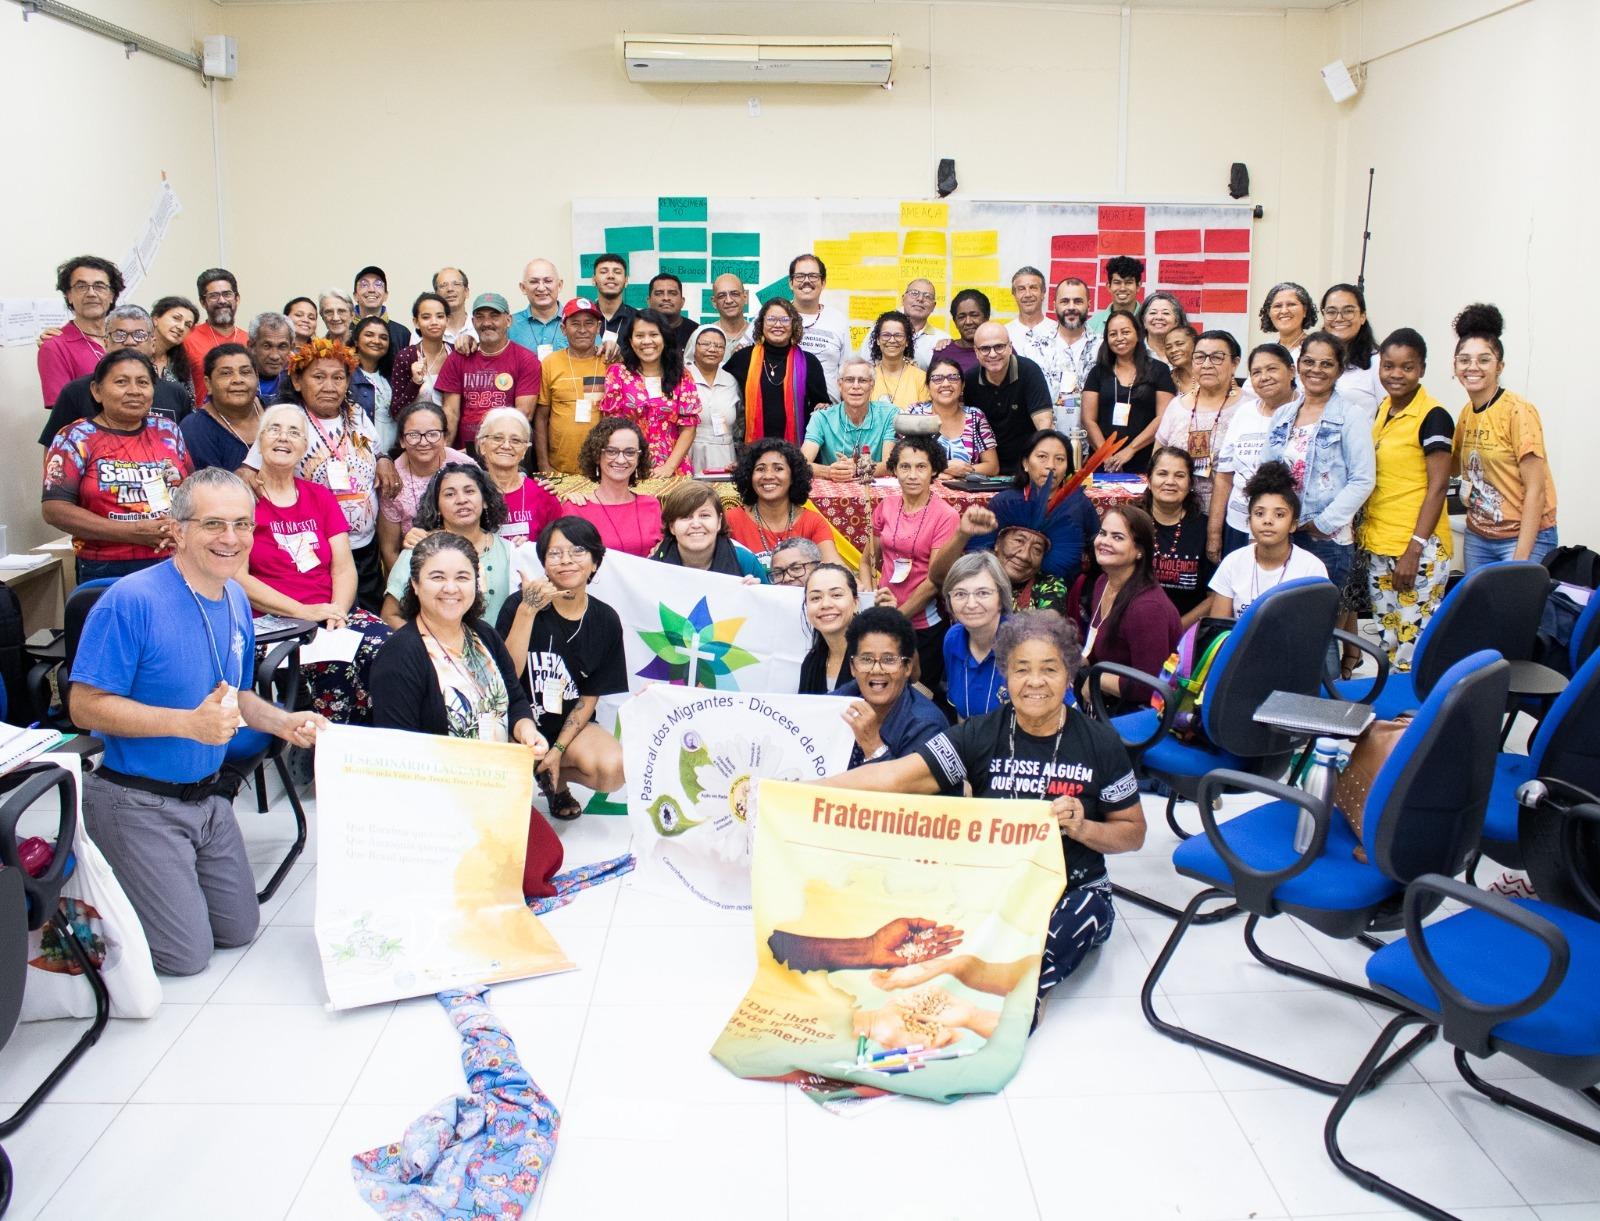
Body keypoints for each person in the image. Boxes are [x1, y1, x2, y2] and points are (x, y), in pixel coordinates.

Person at [71, 468, 327, 975]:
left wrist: (281, 722)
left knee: (237, 930)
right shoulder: (132, 601)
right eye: (213, 524)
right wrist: (187, 725)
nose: (230, 539)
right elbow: (84, 706)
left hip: (207, 797)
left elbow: (235, 694)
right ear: (178, 529)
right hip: (137, 798)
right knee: (185, 958)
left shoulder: (233, 596)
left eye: (242, 524)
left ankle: (161, 881)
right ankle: (95, 891)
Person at [831, 611, 1144, 1016]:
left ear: (1068, 675)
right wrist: (789, 790)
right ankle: (961, 985)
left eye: (1049, 669)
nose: (1034, 682)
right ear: (1005, 675)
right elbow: (894, 778)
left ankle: (1014, 1000)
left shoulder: (1101, 742)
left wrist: (1083, 828)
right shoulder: (980, 733)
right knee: (916, 926)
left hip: (1073, 889)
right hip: (992, 885)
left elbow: (1133, 833)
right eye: (1021, 669)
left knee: (1080, 918)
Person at [236, 404, 391, 723]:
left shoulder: (319, 496)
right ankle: (323, 749)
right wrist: (305, 612)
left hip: (330, 612)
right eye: (275, 429)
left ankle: (373, 747)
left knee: (391, 649)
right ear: (259, 440)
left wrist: (337, 610)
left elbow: (344, 567)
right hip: (274, 621)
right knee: (330, 667)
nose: (284, 438)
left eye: (295, 432)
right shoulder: (242, 501)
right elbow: (239, 579)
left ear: (305, 447)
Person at [241, 337, 393, 612]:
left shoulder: (357, 415)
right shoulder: (288, 420)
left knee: (364, 617)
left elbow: (377, 451)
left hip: (364, 546)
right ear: (298, 382)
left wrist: (383, 460)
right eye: (319, 377)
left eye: (338, 378)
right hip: (316, 552)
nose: (329, 386)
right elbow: (248, 472)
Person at [497, 516, 627, 824]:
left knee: (614, 769)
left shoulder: (605, 620)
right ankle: (524, 775)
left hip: (565, 726)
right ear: (544, 562)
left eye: (577, 551)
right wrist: (528, 611)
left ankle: (555, 781)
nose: (566, 560)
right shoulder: (518, 605)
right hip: (514, 725)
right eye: (555, 553)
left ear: (595, 562)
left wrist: (557, 749)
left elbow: (591, 695)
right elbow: (505, 677)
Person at [42, 349, 192, 583]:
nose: (134, 390)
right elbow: (54, 510)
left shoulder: (168, 430)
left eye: (143, 382)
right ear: (97, 391)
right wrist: (134, 533)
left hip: (174, 560)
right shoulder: (74, 437)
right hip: (107, 567)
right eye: (121, 382)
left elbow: (191, 490)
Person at [1258, 332, 1376, 596]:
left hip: (1326, 541)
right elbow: (1265, 472)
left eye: (1327, 364)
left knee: (1319, 626)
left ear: (1339, 370)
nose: (1316, 370)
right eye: (1309, 362)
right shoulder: (1283, 414)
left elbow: (1363, 479)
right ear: (1298, 366)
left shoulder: (1351, 416)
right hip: (1283, 534)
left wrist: (1322, 524)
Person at [1363, 329, 1454, 670]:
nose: (1396, 375)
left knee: (1412, 645)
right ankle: (1389, 716)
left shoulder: (1433, 415)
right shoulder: (1384, 407)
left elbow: (1439, 486)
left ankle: (1412, 720)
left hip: (1417, 548)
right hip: (1380, 541)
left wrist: (1414, 548)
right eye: (1389, 366)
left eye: (1407, 367)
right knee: (1387, 641)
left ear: (1422, 370)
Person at [930, 429, 1097, 611]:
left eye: (1060, 459)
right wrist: (962, 534)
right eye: (1042, 456)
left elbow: (1095, 553)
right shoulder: (1005, 503)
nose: (1051, 466)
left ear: (1068, 468)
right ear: (1026, 463)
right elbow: (947, 573)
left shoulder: (1079, 504)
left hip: (1057, 595)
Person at [1450, 303, 1559, 568]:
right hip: (1479, 535)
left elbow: (1536, 490)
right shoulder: (1467, 412)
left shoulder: (1518, 411)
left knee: (1513, 607)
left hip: (1522, 537)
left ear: (1500, 366)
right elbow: (1452, 466)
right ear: (1455, 366)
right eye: (1465, 360)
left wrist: (1520, 559)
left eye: (1484, 360)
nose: (1472, 367)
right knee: (1480, 608)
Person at [383, 461, 527, 628]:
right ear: (437, 506)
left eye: (470, 491)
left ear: (485, 501)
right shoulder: (420, 549)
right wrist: (432, 647)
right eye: (449, 494)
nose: (461, 500)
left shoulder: (511, 551)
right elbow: (389, 615)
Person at [866, 435, 960, 690]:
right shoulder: (886, 506)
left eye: (921, 467)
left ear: (934, 471)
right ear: (894, 470)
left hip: (923, 625)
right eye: (905, 467)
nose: (912, 475)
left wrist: (897, 617)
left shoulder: (946, 516)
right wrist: (867, 598)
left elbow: (934, 582)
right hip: (883, 615)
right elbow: (867, 561)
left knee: (918, 693)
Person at [36, 305, 191, 445]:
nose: (130, 341)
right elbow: (55, 452)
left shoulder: (177, 393)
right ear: (106, 342)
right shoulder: (75, 392)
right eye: (119, 335)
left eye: (139, 335)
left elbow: (184, 449)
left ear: (153, 343)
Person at [1081, 506, 1182, 714]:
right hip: (1107, 700)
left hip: (1141, 715)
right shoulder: (1103, 582)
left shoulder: (1146, 609)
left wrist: (1097, 679)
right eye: (1102, 533)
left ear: (1139, 551)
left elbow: (1149, 686)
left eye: (1117, 537)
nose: (1104, 542)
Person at [1205, 460, 1328, 617]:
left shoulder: (1311, 568)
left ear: (1293, 525)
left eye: (1279, 514)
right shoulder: (1232, 563)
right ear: (1249, 521)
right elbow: (1219, 628)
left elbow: (1313, 630)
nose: (1267, 521)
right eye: (1259, 513)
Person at [1211, 342, 1298, 560]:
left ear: (1291, 370)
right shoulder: (1244, 413)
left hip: (1286, 529)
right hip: (1238, 525)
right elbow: (1224, 477)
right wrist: (1214, 533)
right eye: (1256, 372)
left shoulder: (1305, 412)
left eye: (1272, 369)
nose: (1264, 377)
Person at [832, 606, 948, 767]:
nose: (877, 669)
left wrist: (874, 746)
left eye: (888, 660)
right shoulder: (836, 703)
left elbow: (909, 790)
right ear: (852, 667)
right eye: (866, 659)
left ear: (907, 667)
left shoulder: (927, 725)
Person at [436, 292, 542, 450]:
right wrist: (445, 453)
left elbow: (523, 415)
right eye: (480, 317)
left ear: (508, 320)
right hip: (464, 452)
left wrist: (490, 448)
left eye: (494, 316)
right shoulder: (458, 358)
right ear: (473, 322)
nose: (487, 322)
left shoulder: (526, 359)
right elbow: (450, 412)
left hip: (507, 451)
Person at [599, 308, 698, 475]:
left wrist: (668, 468)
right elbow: (610, 425)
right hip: (627, 467)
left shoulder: (682, 376)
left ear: (664, 338)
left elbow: (689, 428)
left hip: (673, 468)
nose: (647, 341)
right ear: (630, 341)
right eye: (639, 336)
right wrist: (626, 463)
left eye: (653, 334)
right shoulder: (617, 374)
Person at [377, 401, 475, 568]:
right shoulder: (393, 479)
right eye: (413, 435)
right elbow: (390, 550)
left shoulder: (465, 467)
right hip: (414, 566)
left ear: (444, 437)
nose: (423, 442)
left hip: (466, 560)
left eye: (433, 434)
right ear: (402, 440)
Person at [1153, 329, 1243, 511]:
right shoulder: (1177, 406)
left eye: (1217, 357)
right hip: (1179, 511)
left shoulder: (1249, 407)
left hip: (1232, 514)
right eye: (1200, 357)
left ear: (1234, 363)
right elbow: (1157, 460)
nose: (1207, 364)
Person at [722, 298, 829, 446]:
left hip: (796, 450)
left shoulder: (809, 362)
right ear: (761, 323)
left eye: (785, 319)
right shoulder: (742, 358)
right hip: (752, 450)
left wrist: (823, 408)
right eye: (771, 319)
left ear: (793, 324)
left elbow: (821, 407)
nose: (778, 325)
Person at [1081, 308, 1175, 474]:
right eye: (1113, 334)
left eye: (1125, 332)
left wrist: (1130, 450)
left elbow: (1164, 417)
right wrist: (1107, 455)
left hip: (1145, 460)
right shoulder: (1098, 372)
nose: (1119, 338)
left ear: (1138, 334)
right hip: (1103, 462)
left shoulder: (1159, 370)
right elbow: (1088, 419)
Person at [726, 439, 838, 566]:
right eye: (760, 469)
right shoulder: (731, 521)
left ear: (793, 477)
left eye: (778, 469)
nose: (768, 476)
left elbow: (835, 566)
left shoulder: (813, 522)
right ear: (749, 476)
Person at [963, 322, 1054, 476]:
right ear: (976, 352)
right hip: (985, 470)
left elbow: (1044, 425)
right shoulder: (970, 380)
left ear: (1010, 347)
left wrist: (1042, 467)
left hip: (1028, 468)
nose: (992, 354)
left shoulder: (1029, 371)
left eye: (999, 347)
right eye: (985, 349)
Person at [1140, 446, 1214, 628]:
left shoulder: (1206, 529)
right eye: (1162, 474)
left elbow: (1215, 596)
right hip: (1137, 626)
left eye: (1179, 476)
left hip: (1188, 630)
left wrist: (1177, 629)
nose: (1170, 481)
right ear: (1149, 480)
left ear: (1190, 484)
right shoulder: (1132, 523)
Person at [534, 298, 610, 474]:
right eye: (575, 324)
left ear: (598, 328)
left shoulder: (609, 362)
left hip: (603, 468)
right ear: (563, 329)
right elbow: (541, 418)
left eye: (589, 324)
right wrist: (543, 465)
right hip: (559, 467)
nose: (582, 330)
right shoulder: (550, 363)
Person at [570, 417, 662, 557]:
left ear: (639, 458)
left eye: (630, 452)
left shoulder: (652, 505)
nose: (621, 460)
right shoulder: (575, 508)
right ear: (596, 455)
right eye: (611, 451)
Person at [38, 255, 121, 409]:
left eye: (99, 286)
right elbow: (63, 411)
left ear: (112, 295)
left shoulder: (125, 338)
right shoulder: (54, 346)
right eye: (81, 286)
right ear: (68, 295)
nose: (91, 293)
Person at [940, 551, 1013, 721]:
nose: (971, 604)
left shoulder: (1026, 643)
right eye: (960, 594)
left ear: (1001, 599)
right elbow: (962, 715)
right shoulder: (953, 639)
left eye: (983, 593)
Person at [474, 407, 560, 549]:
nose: (506, 446)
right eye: (497, 438)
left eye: (515, 440)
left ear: (525, 450)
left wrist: (531, 549)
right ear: (482, 445)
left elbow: (557, 546)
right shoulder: (470, 493)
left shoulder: (543, 494)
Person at [650, 480, 768, 581]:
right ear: (672, 526)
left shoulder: (744, 561)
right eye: (685, 516)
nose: (696, 524)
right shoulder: (654, 565)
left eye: (704, 515)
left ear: (718, 522)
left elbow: (769, 605)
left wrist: (754, 596)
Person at [802, 356, 898, 479]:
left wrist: (857, 469)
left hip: (876, 489)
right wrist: (829, 471)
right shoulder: (821, 417)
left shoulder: (889, 414)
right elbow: (802, 464)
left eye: (862, 380)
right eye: (849, 380)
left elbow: (889, 465)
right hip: (834, 489)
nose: (856, 386)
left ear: (872, 385)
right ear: (840, 385)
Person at [906, 355, 998, 478]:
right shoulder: (915, 413)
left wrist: (959, 472)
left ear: (963, 385)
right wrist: (943, 468)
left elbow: (992, 467)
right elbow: (902, 461)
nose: (945, 383)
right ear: (928, 386)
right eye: (937, 378)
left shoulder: (975, 416)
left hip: (968, 494)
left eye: (953, 378)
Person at [179, 344, 262, 472]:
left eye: (245, 372)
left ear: (257, 377)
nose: (237, 380)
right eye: (226, 373)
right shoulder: (195, 428)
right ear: (208, 383)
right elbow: (211, 487)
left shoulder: (277, 410)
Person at [1039, 277, 1102, 428]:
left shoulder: (1103, 347)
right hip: (1048, 442)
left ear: (1089, 304)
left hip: (1094, 443)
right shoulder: (1036, 347)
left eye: (1078, 301)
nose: (1071, 307)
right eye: (1065, 301)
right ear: (1054, 305)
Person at [181, 269, 248, 404]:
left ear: (237, 298)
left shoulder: (250, 340)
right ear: (203, 302)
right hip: (203, 419)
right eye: (213, 296)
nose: (222, 300)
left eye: (227, 294)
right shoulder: (187, 338)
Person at [789, 254, 850, 398]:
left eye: (813, 276)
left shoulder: (838, 320)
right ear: (791, 283)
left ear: (823, 282)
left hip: (828, 412)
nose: (806, 281)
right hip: (785, 412)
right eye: (799, 276)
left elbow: (846, 370)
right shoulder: (776, 315)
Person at [685, 325, 740, 474]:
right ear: (693, 346)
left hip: (725, 454)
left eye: (719, 346)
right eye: (705, 344)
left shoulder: (731, 380)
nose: (712, 349)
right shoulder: (681, 377)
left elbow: (740, 423)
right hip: (689, 451)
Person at [1321, 283, 1381, 416]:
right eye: (1331, 312)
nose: (1339, 318)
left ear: (1362, 316)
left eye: (1348, 311)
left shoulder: (1378, 362)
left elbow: (1389, 414)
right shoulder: (1312, 359)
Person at [859, 280, 947, 369]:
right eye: (914, 293)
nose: (920, 299)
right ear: (903, 299)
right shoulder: (882, 328)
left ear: (933, 306)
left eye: (927, 296)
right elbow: (864, 365)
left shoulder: (941, 339)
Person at [390, 291, 451, 419]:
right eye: (426, 317)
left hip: (451, 434)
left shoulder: (456, 353)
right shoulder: (406, 357)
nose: (434, 322)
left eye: (440, 316)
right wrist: (415, 383)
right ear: (416, 322)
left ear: (447, 320)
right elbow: (396, 412)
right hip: (416, 434)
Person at [799, 562, 858, 694]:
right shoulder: (811, 663)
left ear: (855, 602)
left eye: (836, 595)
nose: (825, 604)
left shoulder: (872, 658)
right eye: (815, 598)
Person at [351, 265, 410, 381]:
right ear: (355, 295)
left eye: (378, 284)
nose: (371, 290)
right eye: (364, 285)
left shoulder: (402, 333)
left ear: (386, 295)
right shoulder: (345, 330)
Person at [350, 315, 396, 451]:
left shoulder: (393, 376)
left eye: (383, 337)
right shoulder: (345, 376)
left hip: (393, 457)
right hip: (361, 456)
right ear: (356, 341)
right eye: (369, 335)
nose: (377, 341)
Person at [867, 311, 929, 408]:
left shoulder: (921, 378)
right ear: (878, 340)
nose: (892, 340)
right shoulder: (867, 377)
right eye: (886, 335)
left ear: (907, 341)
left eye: (898, 335)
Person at [508, 258, 568, 358]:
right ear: (523, 288)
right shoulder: (509, 325)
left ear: (560, 285)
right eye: (534, 282)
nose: (541, 288)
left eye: (548, 281)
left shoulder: (578, 323)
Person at [150, 295, 200, 408]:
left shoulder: (181, 365)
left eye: (188, 325)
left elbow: (190, 407)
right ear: (155, 319)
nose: (181, 327)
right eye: (176, 318)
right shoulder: (134, 355)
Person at [1005, 266, 1055, 368]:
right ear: (1014, 294)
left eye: (1033, 288)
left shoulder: (1058, 331)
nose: (1028, 294)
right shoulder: (1004, 333)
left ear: (1043, 292)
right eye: (1021, 289)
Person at [936, 288, 990, 377]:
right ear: (955, 322)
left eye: (974, 315)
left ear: (986, 317)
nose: (968, 322)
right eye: (961, 317)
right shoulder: (943, 352)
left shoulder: (1000, 349)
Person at [1258, 281, 1316, 362]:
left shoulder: (1316, 348)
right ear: (1269, 313)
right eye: (1277, 306)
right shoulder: (1265, 351)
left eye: (1291, 304)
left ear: (1305, 310)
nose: (1284, 311)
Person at [247, 311, 295, 405]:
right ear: (251, 346)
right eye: (267, 346)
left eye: (282, 346)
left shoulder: (297, 382)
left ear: (291, 348)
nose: (274, 356)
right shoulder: (238, 382)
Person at [1089, 255, 1144, 334]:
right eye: (1117, 283)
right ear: (1109, 286)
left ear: (1138, 286)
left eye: (1128, 283)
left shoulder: (1149, 321)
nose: (1122, 288)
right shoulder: (1093, 324)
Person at [589, 253, 637, 345]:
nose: (611, 276)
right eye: (603, 272)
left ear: (626, 281)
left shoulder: (638, 320)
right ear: (593, 280)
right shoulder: (585, 317)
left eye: (617, 272)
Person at [645, 273, 698, 350]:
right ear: (649, 301)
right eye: (659, 294)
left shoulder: (696, 333)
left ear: (682, 302)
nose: (666, 298)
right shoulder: (638, 330)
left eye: (672, 293)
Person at [1137, 291, 1189, 363]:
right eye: (1153, 313)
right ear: (1144, 321)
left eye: (1166, 313)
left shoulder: (1188, 353)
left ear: (1177, 321)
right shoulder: (1133, 352)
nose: (1159, 317)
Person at [710, 273, 753, 354]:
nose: (729, 300)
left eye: (734, 294)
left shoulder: (757, 335)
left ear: (745, 297)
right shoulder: (703, 336)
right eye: (722, 296)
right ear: (714, 302)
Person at [430, 267, 475, 345]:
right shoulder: (425, 330)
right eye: (443, 286)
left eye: (456, 284)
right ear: (436, 295)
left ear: (466, 292)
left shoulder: (479, 327)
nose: (450, 289)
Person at [1163, 324, 1197, 398]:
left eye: (1180, 344)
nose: (1173, 350)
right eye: (1168, 347)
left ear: (1195, 344)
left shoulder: (1210, 375)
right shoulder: (1166, 379)